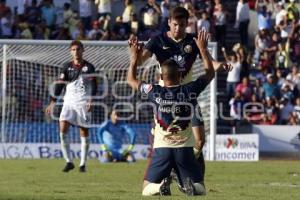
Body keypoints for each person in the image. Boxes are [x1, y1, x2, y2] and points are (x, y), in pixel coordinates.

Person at [128, 6, 231, 193]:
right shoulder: (158, 40)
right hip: (164, 98)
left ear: (187, 24)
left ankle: (185, 174)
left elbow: (209, 62)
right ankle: (166, 173)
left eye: (182, 25)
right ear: (169, 22)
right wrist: (135, 54)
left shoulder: (192, 41)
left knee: (200, 141)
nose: (178, 28)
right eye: (175, 24)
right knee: (164, 138)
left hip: (187, 96)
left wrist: (220, 65)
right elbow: (142, 60)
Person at [45, 40, 97, 173]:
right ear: (70, 51)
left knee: (83, 132)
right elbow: (59, 85)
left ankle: (82, 164)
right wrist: (52, 101)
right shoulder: (66, 67)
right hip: (68, 103)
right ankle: (68, 161)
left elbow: (93, 85)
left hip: (83, 103)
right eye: (73, 50)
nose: (76, 52)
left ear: (83, 50)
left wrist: (91, 99)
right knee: (62, 128)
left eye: (78, 49)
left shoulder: (89, 67)